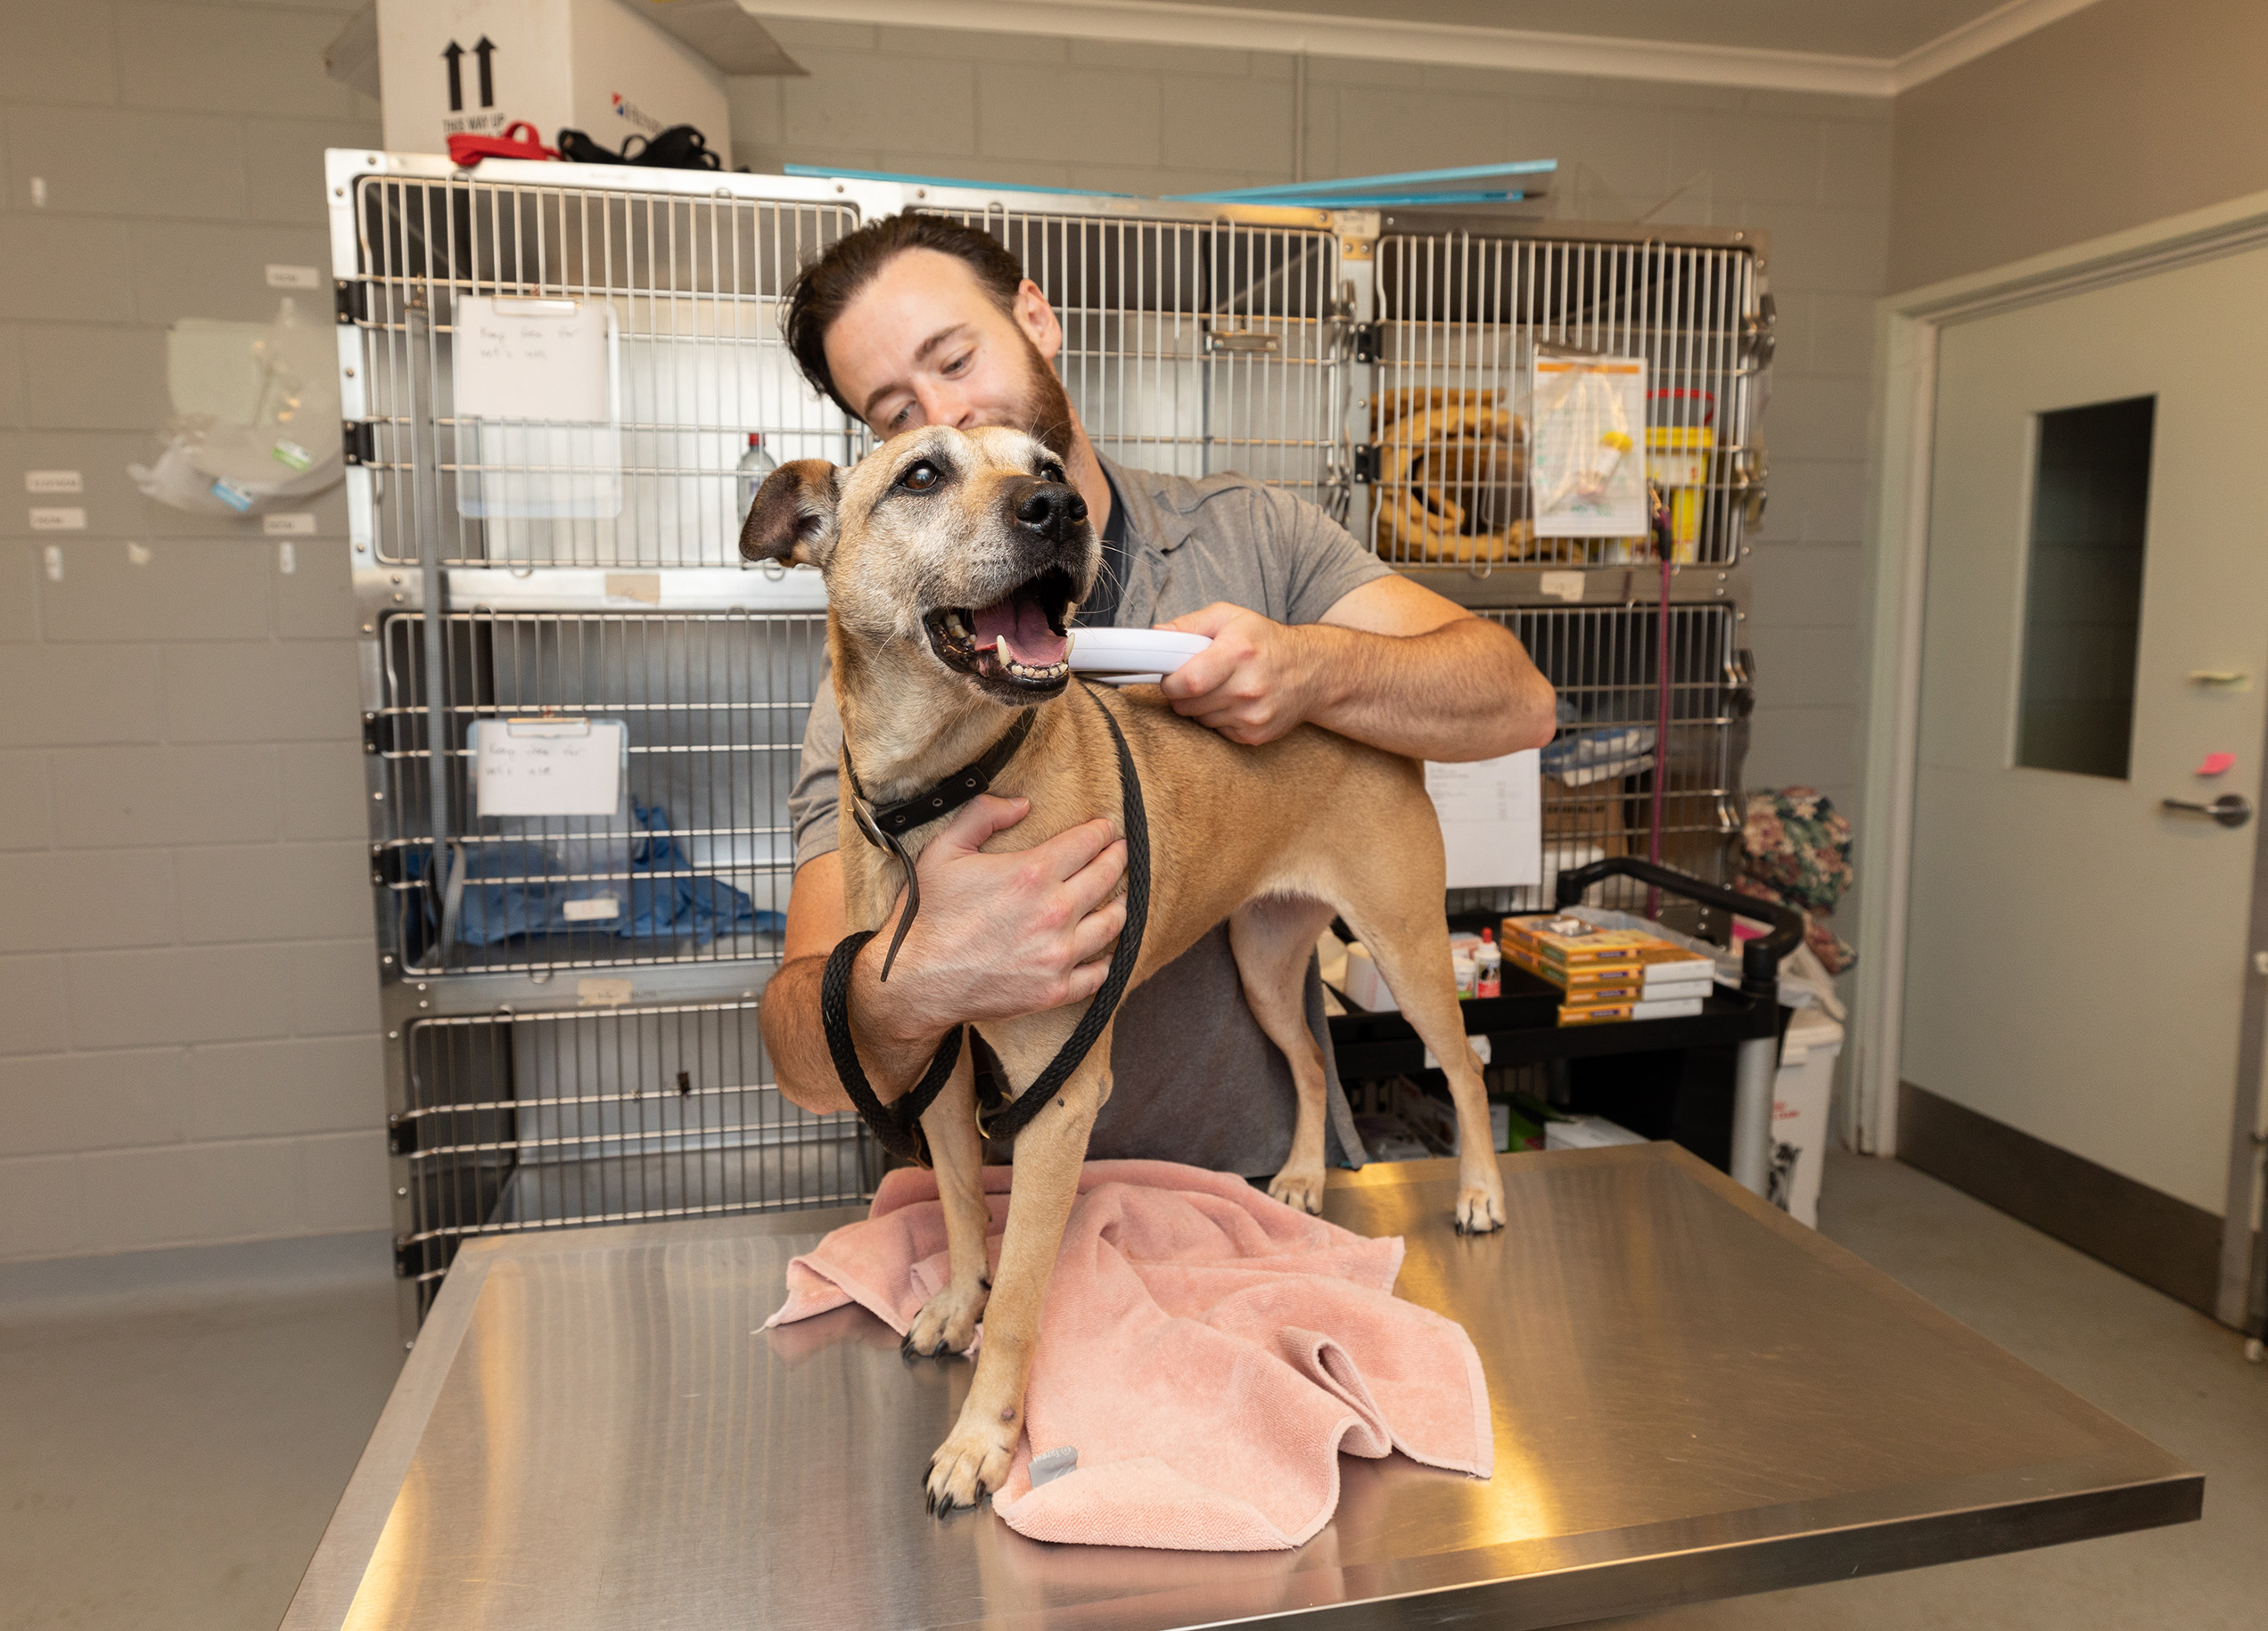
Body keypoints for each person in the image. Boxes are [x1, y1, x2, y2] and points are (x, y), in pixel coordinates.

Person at [760, 214, 1557, 1174]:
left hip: (1252, 1191)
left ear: (1036, 318)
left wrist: (1316, 669)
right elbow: (804, 1061)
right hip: (1002, 1221)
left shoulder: (1255, 539)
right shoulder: (883, 686)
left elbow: (1518, 701)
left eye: (957, 358)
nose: (947, 414)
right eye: (895, 414)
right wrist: (913, 982)